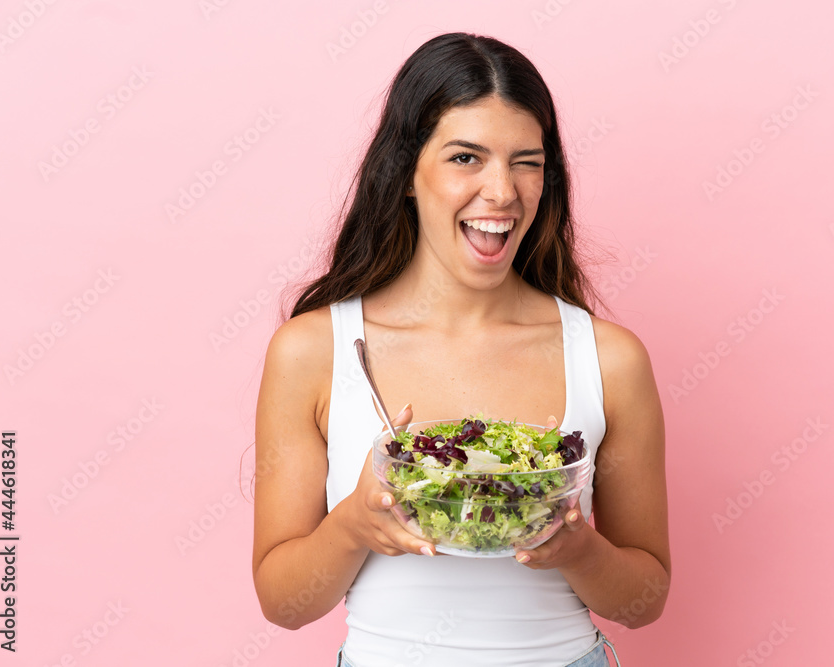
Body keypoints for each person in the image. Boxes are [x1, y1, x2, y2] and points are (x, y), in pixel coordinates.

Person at [251, 32, 670, 667]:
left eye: (526, 161)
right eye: (466, 158)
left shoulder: (609, 359)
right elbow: (283, 604)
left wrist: (577, 548)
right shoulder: (313, 351)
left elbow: (645, 601)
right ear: (407, 174)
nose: (502, 192)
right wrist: (354, 526)